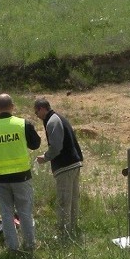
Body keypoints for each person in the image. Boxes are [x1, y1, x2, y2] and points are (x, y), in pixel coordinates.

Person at [0, 93, 41, 253]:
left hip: (0, 178)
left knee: (6, 214)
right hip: (22, 176)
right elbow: (35, 144)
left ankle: (13, 247)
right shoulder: (23, 124)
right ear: (12, 107)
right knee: (25, 212)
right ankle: (30, 245)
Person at [34, 98, 84, 238]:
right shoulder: (57, 118)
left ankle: (63, 234)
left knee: (64, 201)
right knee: (72, 201)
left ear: (43, 108)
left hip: (65, 166)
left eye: (36, 112)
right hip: (74, 163)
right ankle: (72, 230)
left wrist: (45, 157)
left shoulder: (52, 121)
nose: (37, 116)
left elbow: (56, 147)